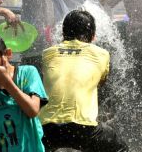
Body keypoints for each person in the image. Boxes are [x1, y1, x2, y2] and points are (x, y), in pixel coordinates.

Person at [39, 9, 127, 152]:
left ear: (62, 34)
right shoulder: (102, 54)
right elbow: (100, 83)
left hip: (47, 129)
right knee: (119, 147)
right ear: (93, 36)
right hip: (83, 129)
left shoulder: (47, 53)